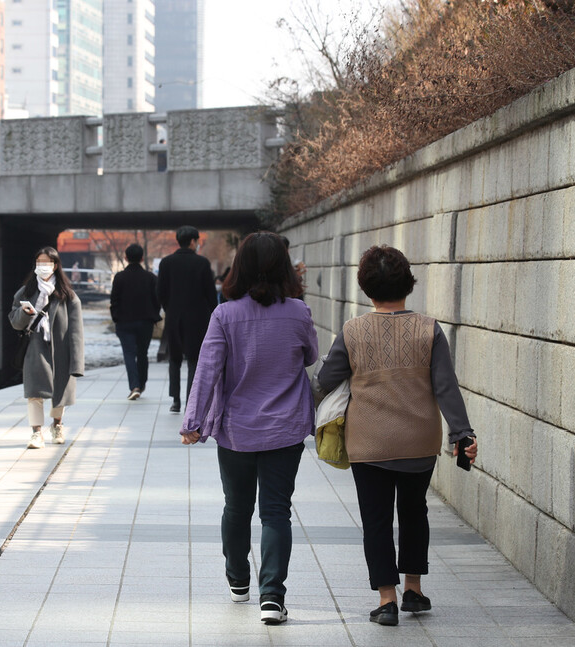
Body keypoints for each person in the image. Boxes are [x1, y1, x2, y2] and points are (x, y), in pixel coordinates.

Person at [316, 244, 478, 627]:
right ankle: (414, 590)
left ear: (365, 287)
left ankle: (386, 600)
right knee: (414, 512)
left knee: (375, 520)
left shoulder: (353, 331)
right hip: (418, 443)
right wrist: (462, 433)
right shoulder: (429, 329)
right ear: (408, 283)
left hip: (368, 444)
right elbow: (446, 387)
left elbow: (324, 381)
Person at [180, 231, 317, 626]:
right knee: (276, 512)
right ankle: (272, 595)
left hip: (237, 430)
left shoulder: (225, 314)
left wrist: (193, 423)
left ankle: (238, 578)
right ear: (285, 267)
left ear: (239, 267)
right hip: (285, 429)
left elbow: (208, 369)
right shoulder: (298, 311)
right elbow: (309, 355)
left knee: (236, 507)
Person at [9, 247, 84, 449]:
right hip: (35, 346)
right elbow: (15, 322)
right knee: (34, 391)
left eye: (47, 262)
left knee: (60, 391)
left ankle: (57, 426)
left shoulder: (68, 295)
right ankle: (36, 433)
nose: (43, 266)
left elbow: (76, 330)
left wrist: (77, 363)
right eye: (39, 262)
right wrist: (25, 313)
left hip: (61, 349)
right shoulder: (26, 292)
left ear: (55, 265)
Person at [157, 225, 217, 412]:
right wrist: (213, 314)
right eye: (197, 241)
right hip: (198, 319)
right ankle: (192, 400)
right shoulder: (202, 263)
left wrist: (170, 309)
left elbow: (160, 292)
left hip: (174, 317)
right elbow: (210, 294)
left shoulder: (166, 263)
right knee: (194, 360)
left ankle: (175, 401)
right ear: (193, 241)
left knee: (174, 359)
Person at [110, 244, 161, 401]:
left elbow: (114, 300)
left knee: (129, 354)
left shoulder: (119, 277)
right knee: (142, 353)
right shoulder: (151, 278)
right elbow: (157, 300)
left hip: (124, 322)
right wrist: (154, 315)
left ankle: (134, 386)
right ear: (142, 258)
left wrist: (116, 317)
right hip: (145, 322)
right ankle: (142, 383)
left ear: (125, 258)